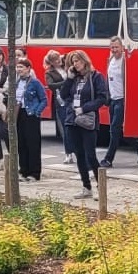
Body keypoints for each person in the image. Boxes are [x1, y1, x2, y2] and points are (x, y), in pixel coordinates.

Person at [60, 50, 108, 199]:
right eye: (73, 62)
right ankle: (86, 187)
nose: (76, 64)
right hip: (72, 120)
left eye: (78, 61)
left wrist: (84, 108)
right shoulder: (74, 78)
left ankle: (101, 187)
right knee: (79, 154)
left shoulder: (96, 77)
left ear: (85, 61)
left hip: (87, 120)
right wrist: (68, 79)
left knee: (90, 155)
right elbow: (63, 95)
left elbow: (102, 98)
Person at [99, 38, 138, 167]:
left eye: (116, 47)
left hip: (121, 99)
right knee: (118, 130)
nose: (114, 50)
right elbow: (108, 79)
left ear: (122, 47)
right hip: (113, 100)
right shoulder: (110, 60)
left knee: (114, 130)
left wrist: (127, 99)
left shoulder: (126, 61)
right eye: (112, 48)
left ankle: (108, 159)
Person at [14, 58, 47, 181]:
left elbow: (44, 99)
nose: (19, 70)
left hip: (30, 114)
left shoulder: (35, 82)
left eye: (21, 67)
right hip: (19, 114)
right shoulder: (16, 82)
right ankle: (24, 171)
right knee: (21, 143)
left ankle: (34, 173)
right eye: (18, 67)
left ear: (28, 68)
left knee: (32, 144)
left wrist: (36, 112)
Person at [43, 50, 72, 163]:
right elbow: (50, 85)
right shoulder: (49, 73)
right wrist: (65, 83)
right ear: (51, 63)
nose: (58, 61)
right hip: (61, 101)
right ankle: (68, 153)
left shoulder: (66, 65)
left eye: (58, 58)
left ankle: (76, 151)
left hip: (72, 98)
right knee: (65, 128)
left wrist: (63, 57)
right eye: (55, 60)